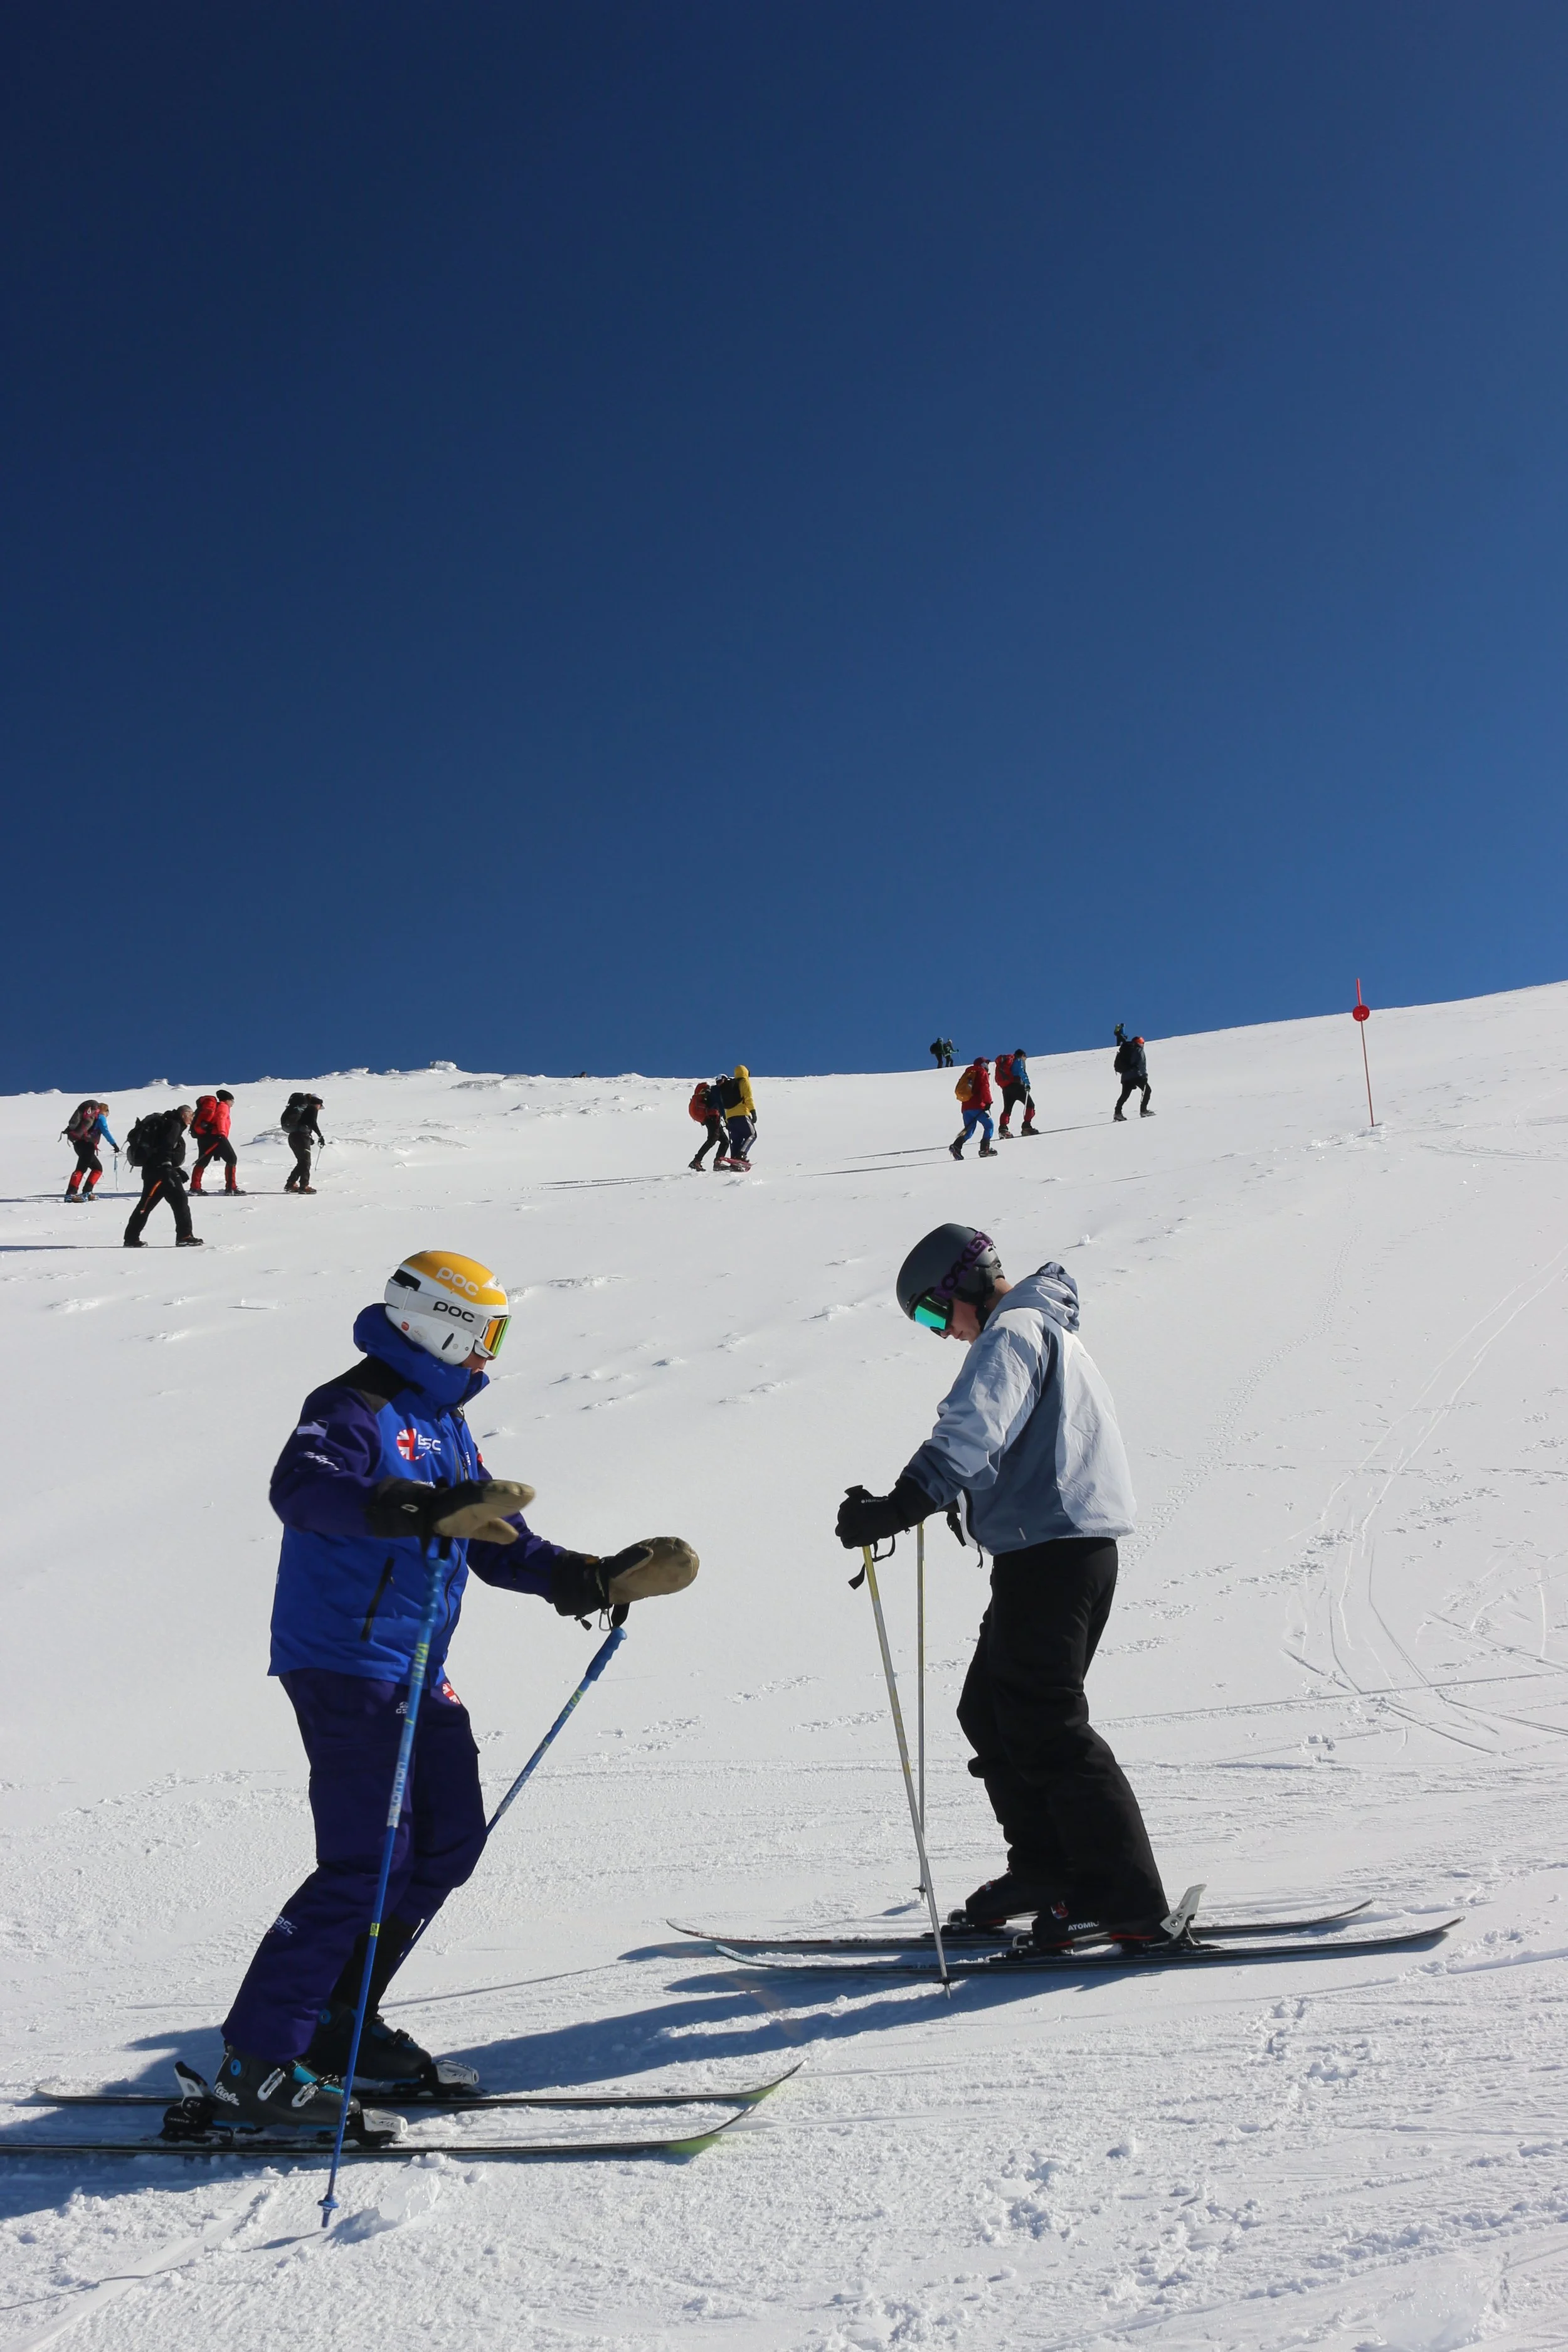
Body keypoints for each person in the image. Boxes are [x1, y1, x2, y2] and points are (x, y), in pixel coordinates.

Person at [213, 1249, 699, 2136]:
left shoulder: (442, 1422)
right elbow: (304, 1491)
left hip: (416, 1668)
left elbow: (498, 1539)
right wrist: (415, 1508)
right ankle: (256, 2061)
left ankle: (336, 2023)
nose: (490, 1356)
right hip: (345, 1662)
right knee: (367, 1860)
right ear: (433, 1324)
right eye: (485, 1335)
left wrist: (591, 1577)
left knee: (446, 1844)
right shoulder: (350, 1409)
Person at [834, 1222, 1167, 1947]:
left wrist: (900, 1503)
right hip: (1049, 1550)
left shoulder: (1011, 1332)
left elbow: (973, 1430)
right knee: (989, 1711)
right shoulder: (1037, 1324)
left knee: (1047, 1723)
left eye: (931, 1312)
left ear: (963, 1285)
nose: (937, 1332)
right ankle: (1050, 1870)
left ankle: (1121, 1897)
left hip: (1056, 1550)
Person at [123, 1105, 203, 1248]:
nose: (193, 1118)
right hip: (161, 1171)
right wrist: (167, 1167)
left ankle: (131, 1238)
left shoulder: (169, 1123)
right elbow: (166, 1147)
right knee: (180, 1201)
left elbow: (161, 1148)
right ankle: (185, 1236)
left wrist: (176, 1169)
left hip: (155, 1170)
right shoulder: (174, 1124)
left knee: (146, 1205)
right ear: (185, 1114)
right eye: (192, 1115)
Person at [63, 1100, 118, 1202]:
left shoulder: (91, 1118)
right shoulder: (100, 1117)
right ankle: (71, 1194)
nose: (107, 1115)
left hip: (79, 1144)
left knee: (97, 1168)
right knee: (81, 1169)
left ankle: (87, 1192)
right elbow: (105, 1130)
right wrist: (114, 1144)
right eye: (108, 1112)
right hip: (87, 1144)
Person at [190, 1091, 242, 1194]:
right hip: (217, 1136)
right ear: (228, 1100)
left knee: (202, 1162)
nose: (232, 1104)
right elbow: (221, 1119)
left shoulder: (216, 1107)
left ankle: (195, 1188)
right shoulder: (223, 1106)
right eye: (232, 1101)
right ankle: (231, 1188)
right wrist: (222, 1134)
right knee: (232, 1159)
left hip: (204, 1137)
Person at [950, 1058, 996, 1159]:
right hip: (978, 1106)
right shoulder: (981, 1072)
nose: (988, 1065)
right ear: (983, 1064)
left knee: (969, 1129)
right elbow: (985, 1088)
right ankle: (985, 1149)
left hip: (966, 1107)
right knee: (989, 1126)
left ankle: (956, 1146)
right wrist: (988, 1102)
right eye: (987, 1063)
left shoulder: (969, 1073)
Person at [713, 1065, 756, 1170]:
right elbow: (748, 1097)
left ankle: (735, 1162)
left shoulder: (729, 1085)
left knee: (737, 1140)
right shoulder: (743, 1082)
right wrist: (753, 1112)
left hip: (730, 1118)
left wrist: (727, 1120)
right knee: (752, 1135)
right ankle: (741, 1155)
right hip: (742, 1114)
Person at [282, 1092, 326, 1192]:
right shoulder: (312, 1108)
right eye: (320, 1106)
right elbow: (313, 1123)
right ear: (318, 1103)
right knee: (306, 1163)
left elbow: (305, 1123)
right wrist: (320, 1136)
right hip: (302, 1137)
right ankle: (304, 1186)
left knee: (302, 1162)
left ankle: (291, 1184)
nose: (319, 1108)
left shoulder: (303, 1110)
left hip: (293, 1137)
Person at [1113, 1027, 1153, 1121]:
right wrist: (1144, 1075)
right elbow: (1141, 1063)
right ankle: (1144, 1111)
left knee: (1125, 1095)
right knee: (1147, 1091)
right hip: (1136, 1075)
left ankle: (1117, 1113)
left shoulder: (1126, 1049)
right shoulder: (1139, 1050)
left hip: (1125, 1077)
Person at [994, 1049, 1037, 1139]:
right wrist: (1027, 1083)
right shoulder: (1018, 1060)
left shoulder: (1007, 1062)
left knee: (1007, 1109)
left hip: (1006, 1088)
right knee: (1030, 1105)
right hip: (1017, 1086)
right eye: (1025, 1057)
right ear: (1022, 1056)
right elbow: (1021, 1072)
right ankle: (1027, 1127)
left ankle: (1003, 1129)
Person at [687, 1078, 728, 1171]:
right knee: (713, 1140)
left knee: (725, 1141)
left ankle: (717, 1162)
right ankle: (697, 1161)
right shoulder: (711, 1094)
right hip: (712, 1118)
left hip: (711, 1119)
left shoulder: (706, 1095)